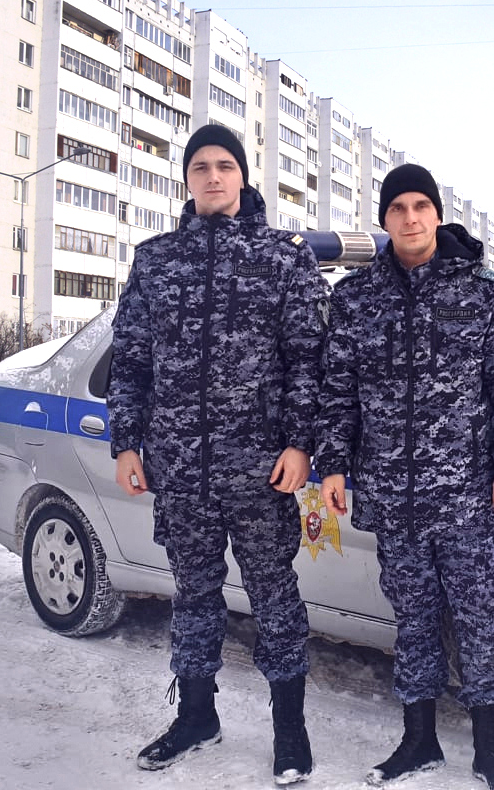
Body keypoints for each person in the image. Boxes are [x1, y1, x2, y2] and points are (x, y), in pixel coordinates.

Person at [108, 125, 327, 784]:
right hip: (180, 464)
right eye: (199, 166)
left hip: (259, 468)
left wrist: (299, 443)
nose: (212, 176)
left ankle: (290, 730)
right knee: (194, 592)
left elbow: (309, 363)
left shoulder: (283, 259)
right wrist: (126, 441)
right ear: (186, 180)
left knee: (274, 595)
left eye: (224, 165)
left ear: (243, 177)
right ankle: (197, 715)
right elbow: (131, 359)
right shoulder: (155, 261)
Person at [314, 164, 494, 790]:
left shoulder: (484, 294)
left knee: (477, 617)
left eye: (421, 206)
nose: (411, 218)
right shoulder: (356, 299)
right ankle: (418, 741)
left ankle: (491, 750)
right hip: (391, 494)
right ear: (384, 220)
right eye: (398, 208)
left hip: (468, 494)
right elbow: (337, 392)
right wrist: (331, 464)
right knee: (412, 617)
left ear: (437, 215)